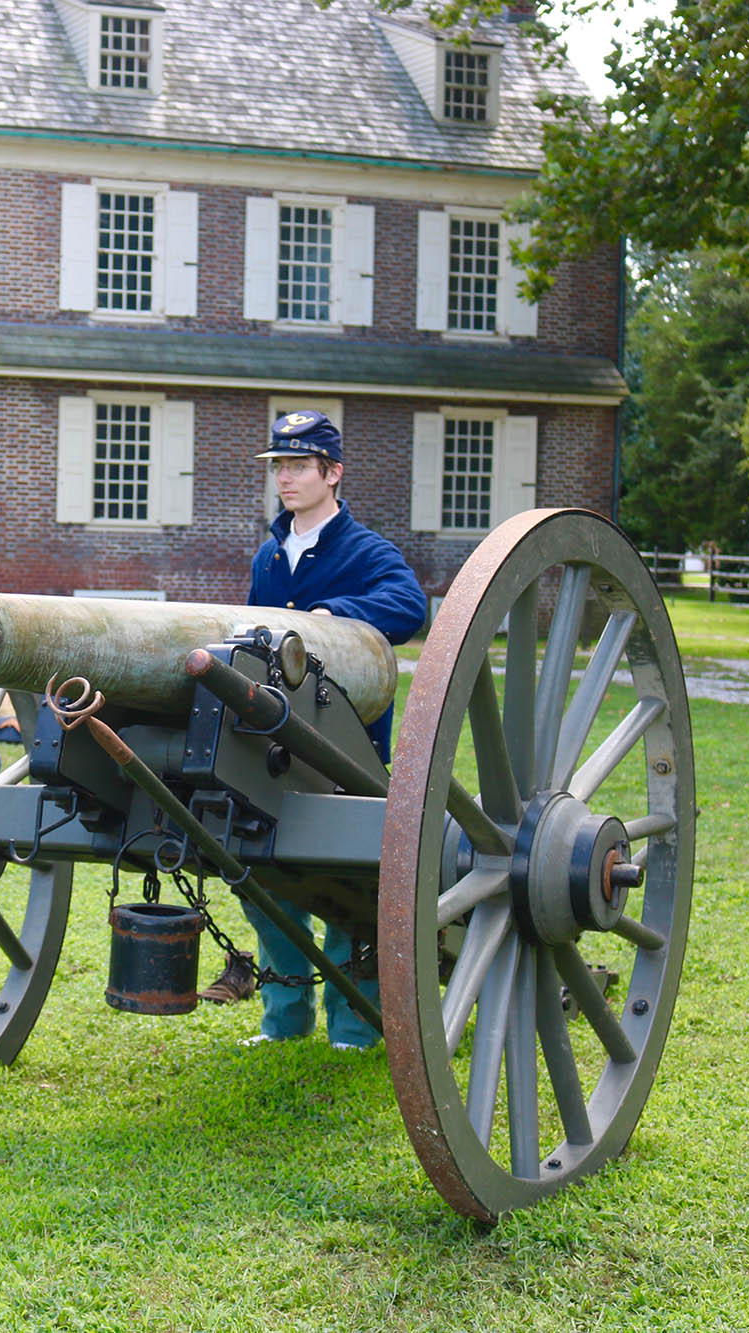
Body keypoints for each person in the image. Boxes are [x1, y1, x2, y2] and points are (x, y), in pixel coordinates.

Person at [221, 409, 427, 1051]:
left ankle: (353, 1027)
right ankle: (284, 1020)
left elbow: (408, 606)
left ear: (332, 474)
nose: (286, 478)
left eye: (299, 466)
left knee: (346, 896)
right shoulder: (269, 554)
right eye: (279, 466)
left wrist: (332, 615)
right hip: (271, 749)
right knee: (263, 885)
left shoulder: (365, 551)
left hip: (345, 750)